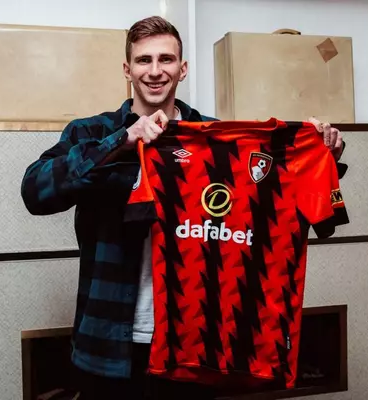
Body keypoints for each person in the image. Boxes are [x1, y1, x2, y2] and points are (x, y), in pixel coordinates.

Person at [21, 15, 345, 400]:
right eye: (144, 60)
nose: (155, 71)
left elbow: (274, 198)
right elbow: (34, 192)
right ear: (127, 69)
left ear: (183, 68)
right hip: (107, 348)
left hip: (193, 345)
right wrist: (122, 142)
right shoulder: (90, 132)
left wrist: (320, 156)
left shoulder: (217, 138)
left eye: (166, 59)